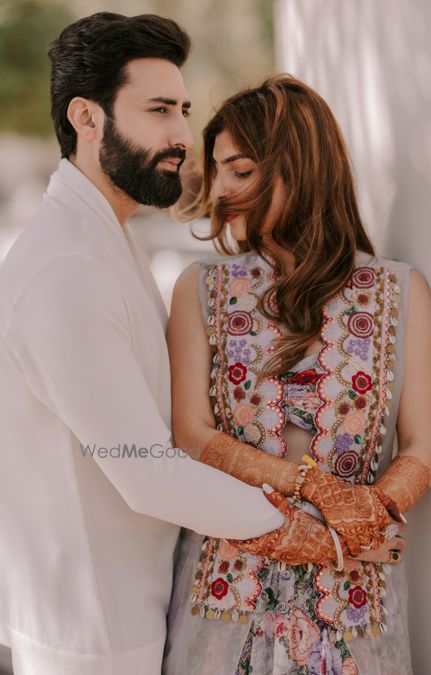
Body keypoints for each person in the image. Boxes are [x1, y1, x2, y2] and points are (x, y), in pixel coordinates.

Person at [0, 14, 307, 675]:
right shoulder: (66, 267)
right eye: (158, 109)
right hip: (93, 637)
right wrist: (307, 528)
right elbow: (143, 468)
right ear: (87, 117)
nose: (179, 135)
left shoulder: (106, 240)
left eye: (183, 110)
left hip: (129, 613)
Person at [164, 75, 431, 674]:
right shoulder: (201, 288)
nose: (219, 191)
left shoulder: (399, 291)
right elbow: (191, 433)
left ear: (300, 164)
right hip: (227, 593)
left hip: (354, 601)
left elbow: (424, 446)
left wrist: (368, 518)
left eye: (238, 171)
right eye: (216, 172)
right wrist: (318, 489)